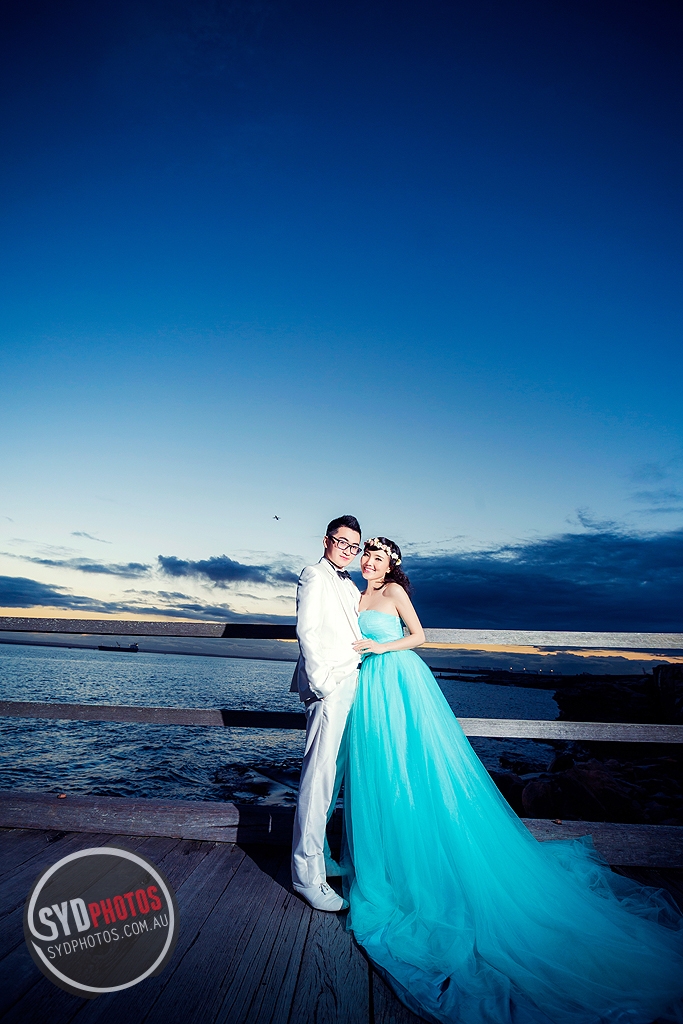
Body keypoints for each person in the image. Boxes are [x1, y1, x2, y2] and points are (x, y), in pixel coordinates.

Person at [343, 536, 683, 1024]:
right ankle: (389, 858)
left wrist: (380, 646)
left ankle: (426, 864)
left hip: (398, 678)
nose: (370, 562)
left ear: (391, 563)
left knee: (414, 766)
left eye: (378, 557)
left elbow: (420, 636)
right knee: (381, 767)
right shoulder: (355, 593)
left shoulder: (394, 592)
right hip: (369, 684)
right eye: (367, 555)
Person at [290, 514, 363, 911]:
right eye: (342, 542)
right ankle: (306, 877)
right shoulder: (314, 575)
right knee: (318, 779)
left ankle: (323, 861)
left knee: (333, 780)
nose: (348, 551)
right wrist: (323, 686)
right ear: (326, 540)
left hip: (351, 687)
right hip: (329, 689)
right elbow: (308, 632)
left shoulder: (350, 585)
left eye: (354, 546)